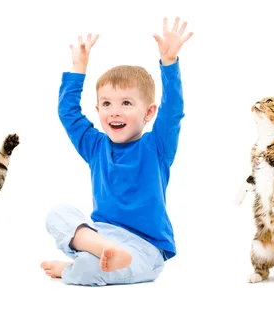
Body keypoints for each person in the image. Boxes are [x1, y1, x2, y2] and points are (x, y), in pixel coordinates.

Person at [40, 17, 193, 286]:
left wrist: (169, 63)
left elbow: (173, 111)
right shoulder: (96, 146)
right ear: (98, 111)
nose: (115, 111)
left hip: (144, 249)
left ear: (148, 113)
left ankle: (72, 268)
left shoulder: (157, 146)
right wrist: (78, 68)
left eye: (126, 103)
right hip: (102, 238)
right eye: (107, 104)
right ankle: (96, 253)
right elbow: (69, 113)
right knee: (57, 213)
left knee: (87, 270)